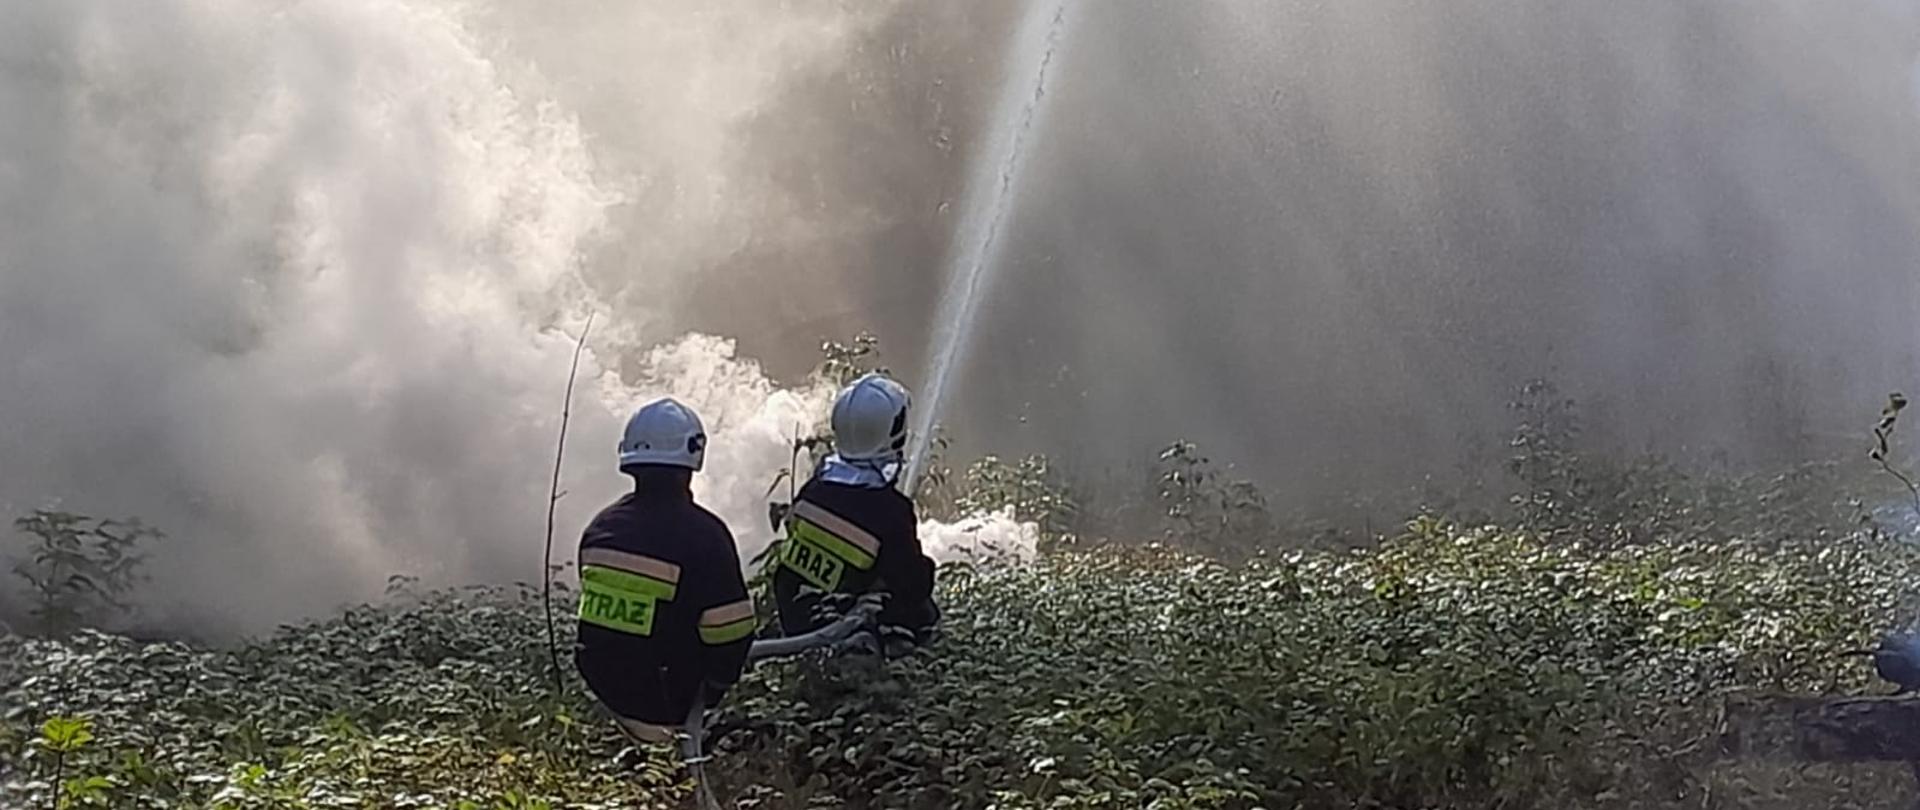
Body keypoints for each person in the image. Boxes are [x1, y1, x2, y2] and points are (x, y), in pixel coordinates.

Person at [574, 397, 756, 744]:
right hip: (668, 699)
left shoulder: (600, 528)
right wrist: (715, 689)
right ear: (694, 453)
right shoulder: (705, 536)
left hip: (603, 689)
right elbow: (732, 640)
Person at [771, 373, 939, 655]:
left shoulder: (813, 491)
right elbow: (911, 584)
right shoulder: (891, 511)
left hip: (795, 616)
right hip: (847, 631)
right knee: (924, 613)